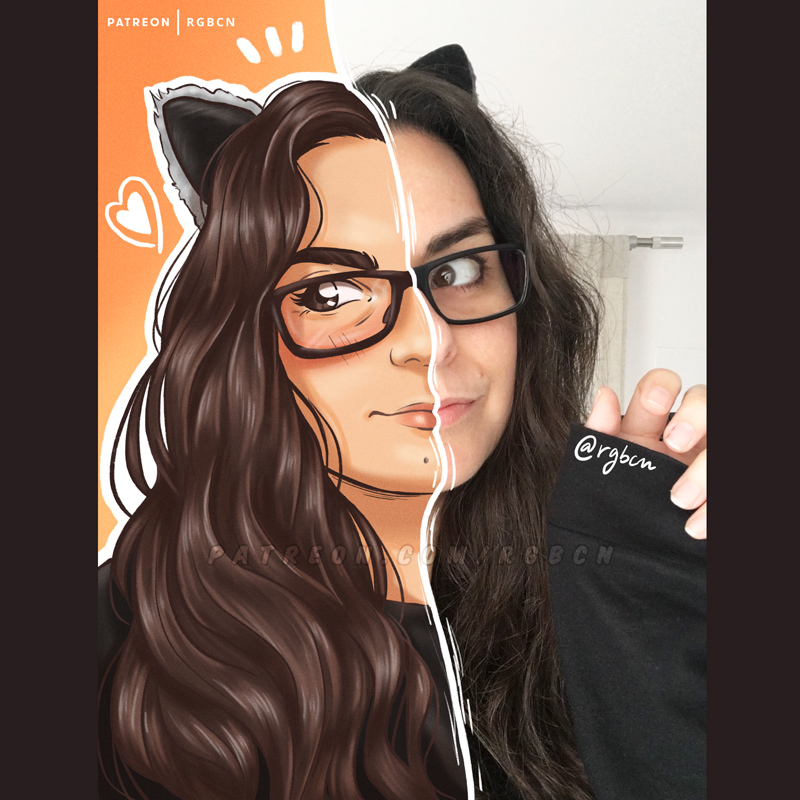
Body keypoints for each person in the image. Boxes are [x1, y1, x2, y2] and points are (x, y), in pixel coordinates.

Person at [99, 46, 706, 800]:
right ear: (238, 341)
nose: (432, 341)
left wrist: (669, 591)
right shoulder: (119, 648)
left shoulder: (594, 578)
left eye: (457, 271)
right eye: (331, 293)